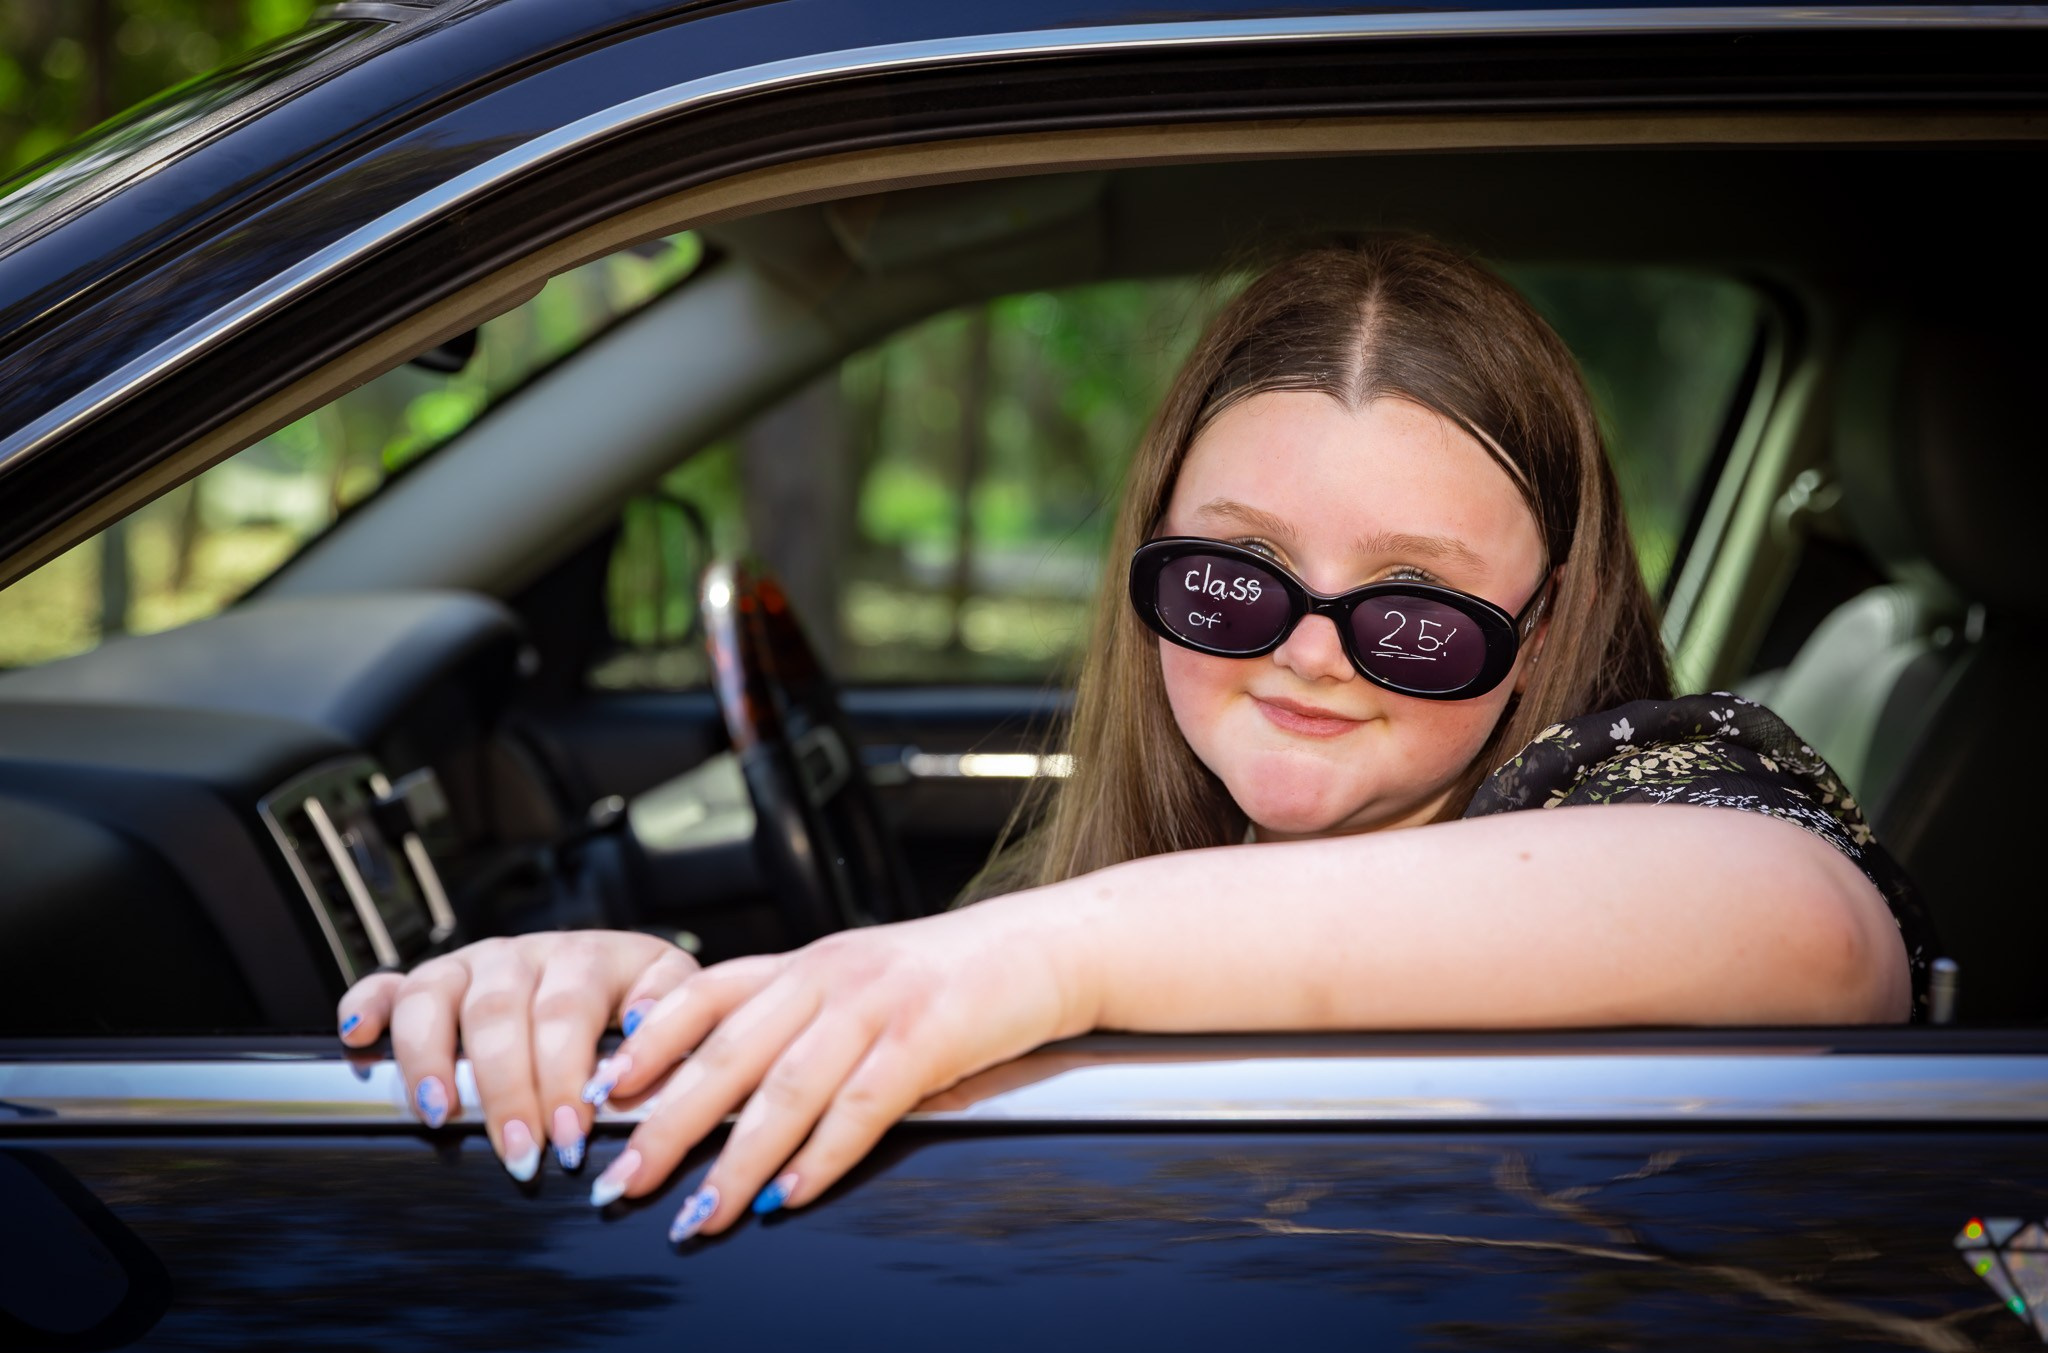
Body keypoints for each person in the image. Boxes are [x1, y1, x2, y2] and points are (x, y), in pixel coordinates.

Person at [335, 235, 1939, 1244]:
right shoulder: (1166, 854)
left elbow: (1809, 931)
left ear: (1557, 605)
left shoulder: (1655, 780)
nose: (1311, 652)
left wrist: (1037, 957)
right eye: (1232, 577)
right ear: (1150, 562)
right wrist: (645, 1021)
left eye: (1417, 605)